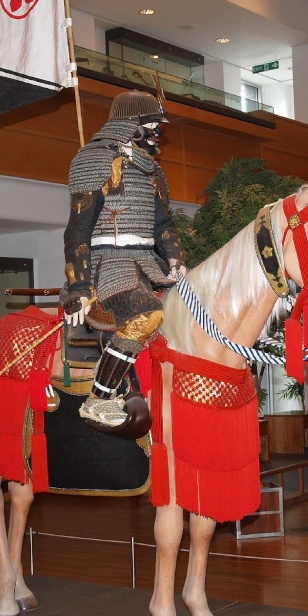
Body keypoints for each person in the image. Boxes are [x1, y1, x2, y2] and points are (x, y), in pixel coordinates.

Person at [60, 89, 186, 432]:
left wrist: (175, 260)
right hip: (106, 266)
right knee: (147, 314)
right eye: (154, 124)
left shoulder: (150, 169)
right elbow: (77, 231)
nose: (160, 131)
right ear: (131, 124)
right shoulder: (96, 160)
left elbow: (162, 224)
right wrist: (80, 286)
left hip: (146, 264)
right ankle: (100, 398)